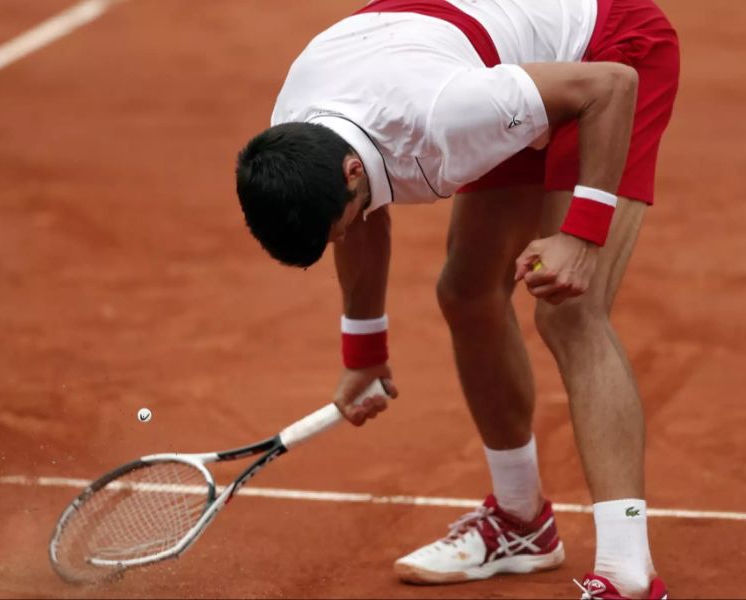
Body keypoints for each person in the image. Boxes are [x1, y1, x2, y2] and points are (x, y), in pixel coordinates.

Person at [235, 0, 679, 597]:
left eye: (336, 224)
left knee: (569, 309)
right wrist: (363, 351)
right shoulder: (295, 139)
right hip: (495, 65)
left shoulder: (444, 114)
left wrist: (580, 234)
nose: (343, 233)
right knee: (467, 292)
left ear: (348, 173)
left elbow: (610, 87)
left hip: (607, 50)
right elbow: (362, 218)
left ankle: (628, 575)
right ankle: (522, 523)